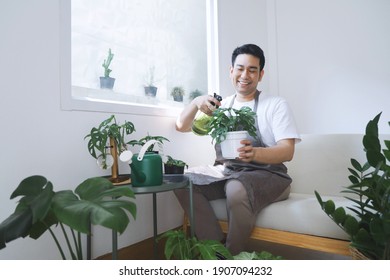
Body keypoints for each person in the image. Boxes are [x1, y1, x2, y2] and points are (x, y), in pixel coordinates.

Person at [174, 43, 300, 254]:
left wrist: (255, 153)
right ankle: (216, 253)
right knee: (181, 182)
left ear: (261, 75)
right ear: (231, 71)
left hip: (269, 174)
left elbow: (287, 151)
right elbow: (181, 126)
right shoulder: (219, 107)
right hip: (229, 172)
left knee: (235, 187)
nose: (245, 74)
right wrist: (197, 101)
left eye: (252, 70)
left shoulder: (276, 104)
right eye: (240, 68)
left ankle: (233, 257)